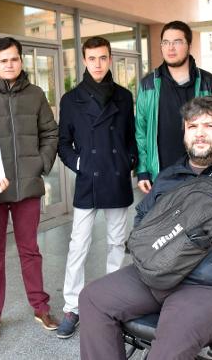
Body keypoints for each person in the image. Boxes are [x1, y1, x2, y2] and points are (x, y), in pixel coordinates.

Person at [79, 96, 212, 359]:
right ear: (185, 133)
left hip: (210, 286)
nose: (200, 133)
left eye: (210, 126)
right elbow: (143, 218)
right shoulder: (171, 175)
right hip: (157, 274)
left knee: (169, 346)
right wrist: (149, 255)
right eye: (192, 127)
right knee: (93, 298)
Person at [0, 37, 59, 341]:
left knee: (30, 250)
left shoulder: (35, 94)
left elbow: (50, 132)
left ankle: (40, 306)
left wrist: (39, 165)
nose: (10, 65)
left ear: (21, 61)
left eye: (14, 59)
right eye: (3, 60)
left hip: (26, 187)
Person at [56, 36, 137, 339]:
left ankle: (113, 304)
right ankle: (71, 307)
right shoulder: (70, 99)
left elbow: (131, 138)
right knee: (79, 245)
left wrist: (128, 160)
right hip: (88, 179)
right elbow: (63, 144)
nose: (98, 64)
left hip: (116, 177)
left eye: (103, 58)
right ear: (84, 61)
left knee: (117, 242)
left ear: (110, 59)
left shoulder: (124, 97)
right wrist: (81, 164)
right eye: (92, 58)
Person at [135, 20, 212, 194]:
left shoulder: (209, 83)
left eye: (177, 42)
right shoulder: (148, 84)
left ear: (189, 45)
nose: (170, 48)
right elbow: (141, 131)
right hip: (161, 176)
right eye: (165, 42)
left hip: (201, 174)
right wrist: (142, 170)